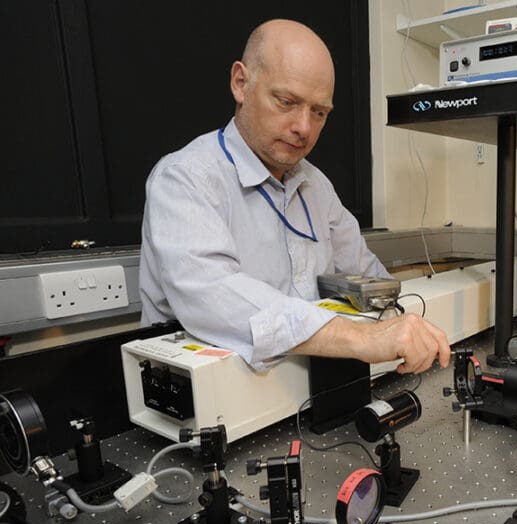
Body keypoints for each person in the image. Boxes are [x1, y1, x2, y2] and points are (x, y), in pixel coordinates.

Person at [139, 19, 450, 374]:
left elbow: (365, 274)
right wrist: (362, 339)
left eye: (319, 112)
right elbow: (212, 296)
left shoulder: (315, 185)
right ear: (241, 83)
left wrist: (403, 322)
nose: (303, 127)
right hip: (215, 402)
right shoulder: (184, 178)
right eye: (286, 102)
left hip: (303, 391)